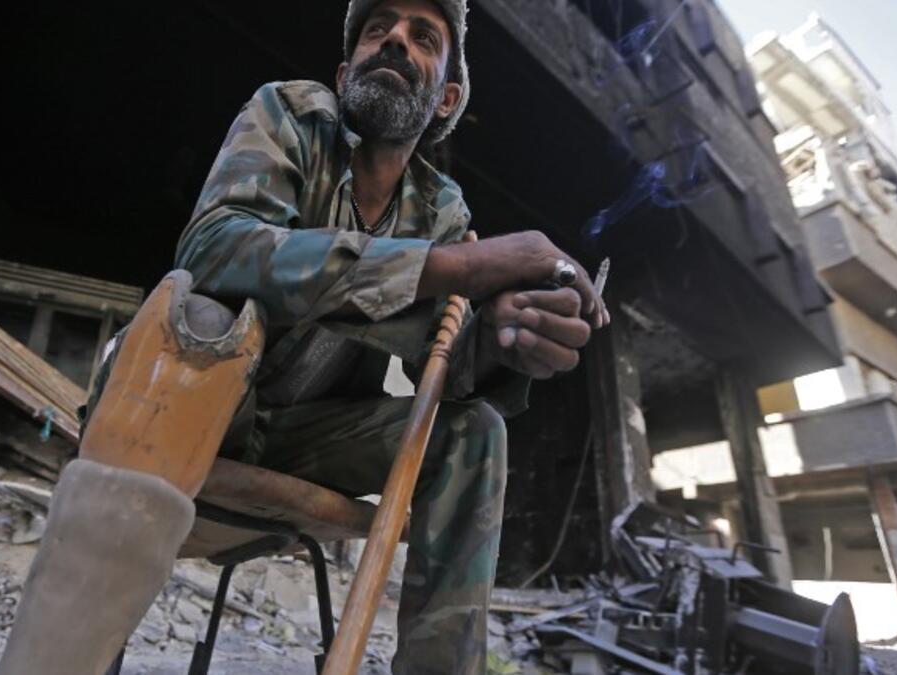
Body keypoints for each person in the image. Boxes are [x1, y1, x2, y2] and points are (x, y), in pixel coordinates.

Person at [170, 0, 608, 671]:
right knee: (202, 319)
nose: (396, 40)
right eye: (379, 30)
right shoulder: (289, 114)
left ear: (445, 99)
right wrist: (455, 268)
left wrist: (499, 337)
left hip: (306, 439)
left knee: (474, 431)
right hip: (194, 408)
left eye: (423, 37)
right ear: (346, 72)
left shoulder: (441, 210)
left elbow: (446, 372)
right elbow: (214, 250)